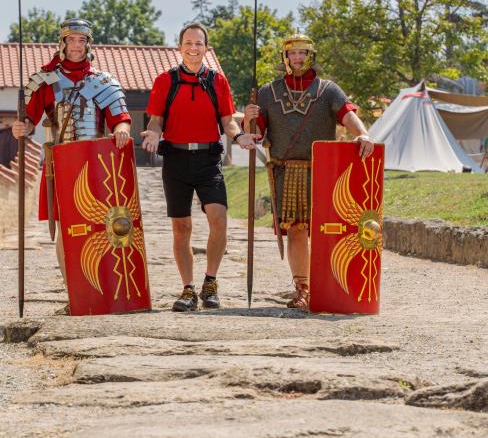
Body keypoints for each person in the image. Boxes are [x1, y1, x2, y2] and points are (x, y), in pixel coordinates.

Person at [243, 33, 374, 311]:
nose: (298, 58)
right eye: (293, 53)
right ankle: (303, 288)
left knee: (329, 230)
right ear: (285, 57)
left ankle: (330, 286)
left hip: (324, 171)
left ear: (310, 55)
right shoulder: (268, 92)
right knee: (297, 230)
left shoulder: (328, 90)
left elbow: (347, 114)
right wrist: (250, 118)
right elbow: (255, 135)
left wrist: (362, 134)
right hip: (287, 172)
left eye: (303, 53)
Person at [141, 23, 258, 311]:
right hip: (176, 160)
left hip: (208, 159)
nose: (193, 48)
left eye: (199, 44)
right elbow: (155, 120)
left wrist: (240, 135)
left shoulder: (218, 81)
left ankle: (210, 282)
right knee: (182, 228)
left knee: (219, 219)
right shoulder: (164, 81)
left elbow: (227, 120)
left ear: (206, 47)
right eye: (188, 43)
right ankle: (188, 289)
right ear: (179, 47)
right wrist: (154, 132)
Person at [12, 18, 131, 287]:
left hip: (95, 163)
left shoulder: (103, 81)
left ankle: (102, 287)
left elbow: (119, 117)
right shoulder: (44, 80)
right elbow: (29, 120)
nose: (76, 45)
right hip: (60, 163)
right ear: (62, 43)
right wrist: (22, 127)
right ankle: (74, 290)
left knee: (103, 226)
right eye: (71, 40)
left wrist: (122, 129)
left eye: (81, 40)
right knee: (67, 229)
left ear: (89, 44)